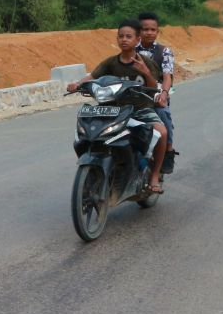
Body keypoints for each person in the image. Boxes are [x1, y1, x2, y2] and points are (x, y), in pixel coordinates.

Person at [67, 19, 168, 194]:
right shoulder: (111, 62)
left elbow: (154, 86)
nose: (124, 39)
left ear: (137, 40)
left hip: (140, 109)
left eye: (128, 36)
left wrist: (144, 71)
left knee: (162, 133)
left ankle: (154, 176)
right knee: (87, 134)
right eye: (121, 36)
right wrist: (77, 84)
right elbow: (92, 76)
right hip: (113, 110)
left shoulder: (145, 62)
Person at [136, 11, 178, 174]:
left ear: (157, 31)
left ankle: (168, 150)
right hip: (135, 94)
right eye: (145, 29)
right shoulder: (131, 48)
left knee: (163, 113)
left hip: (156, 93)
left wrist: (164, 94)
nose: (149, 32)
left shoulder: (164, 51)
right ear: (139, 31)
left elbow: (168, 76)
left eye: (153, 29)